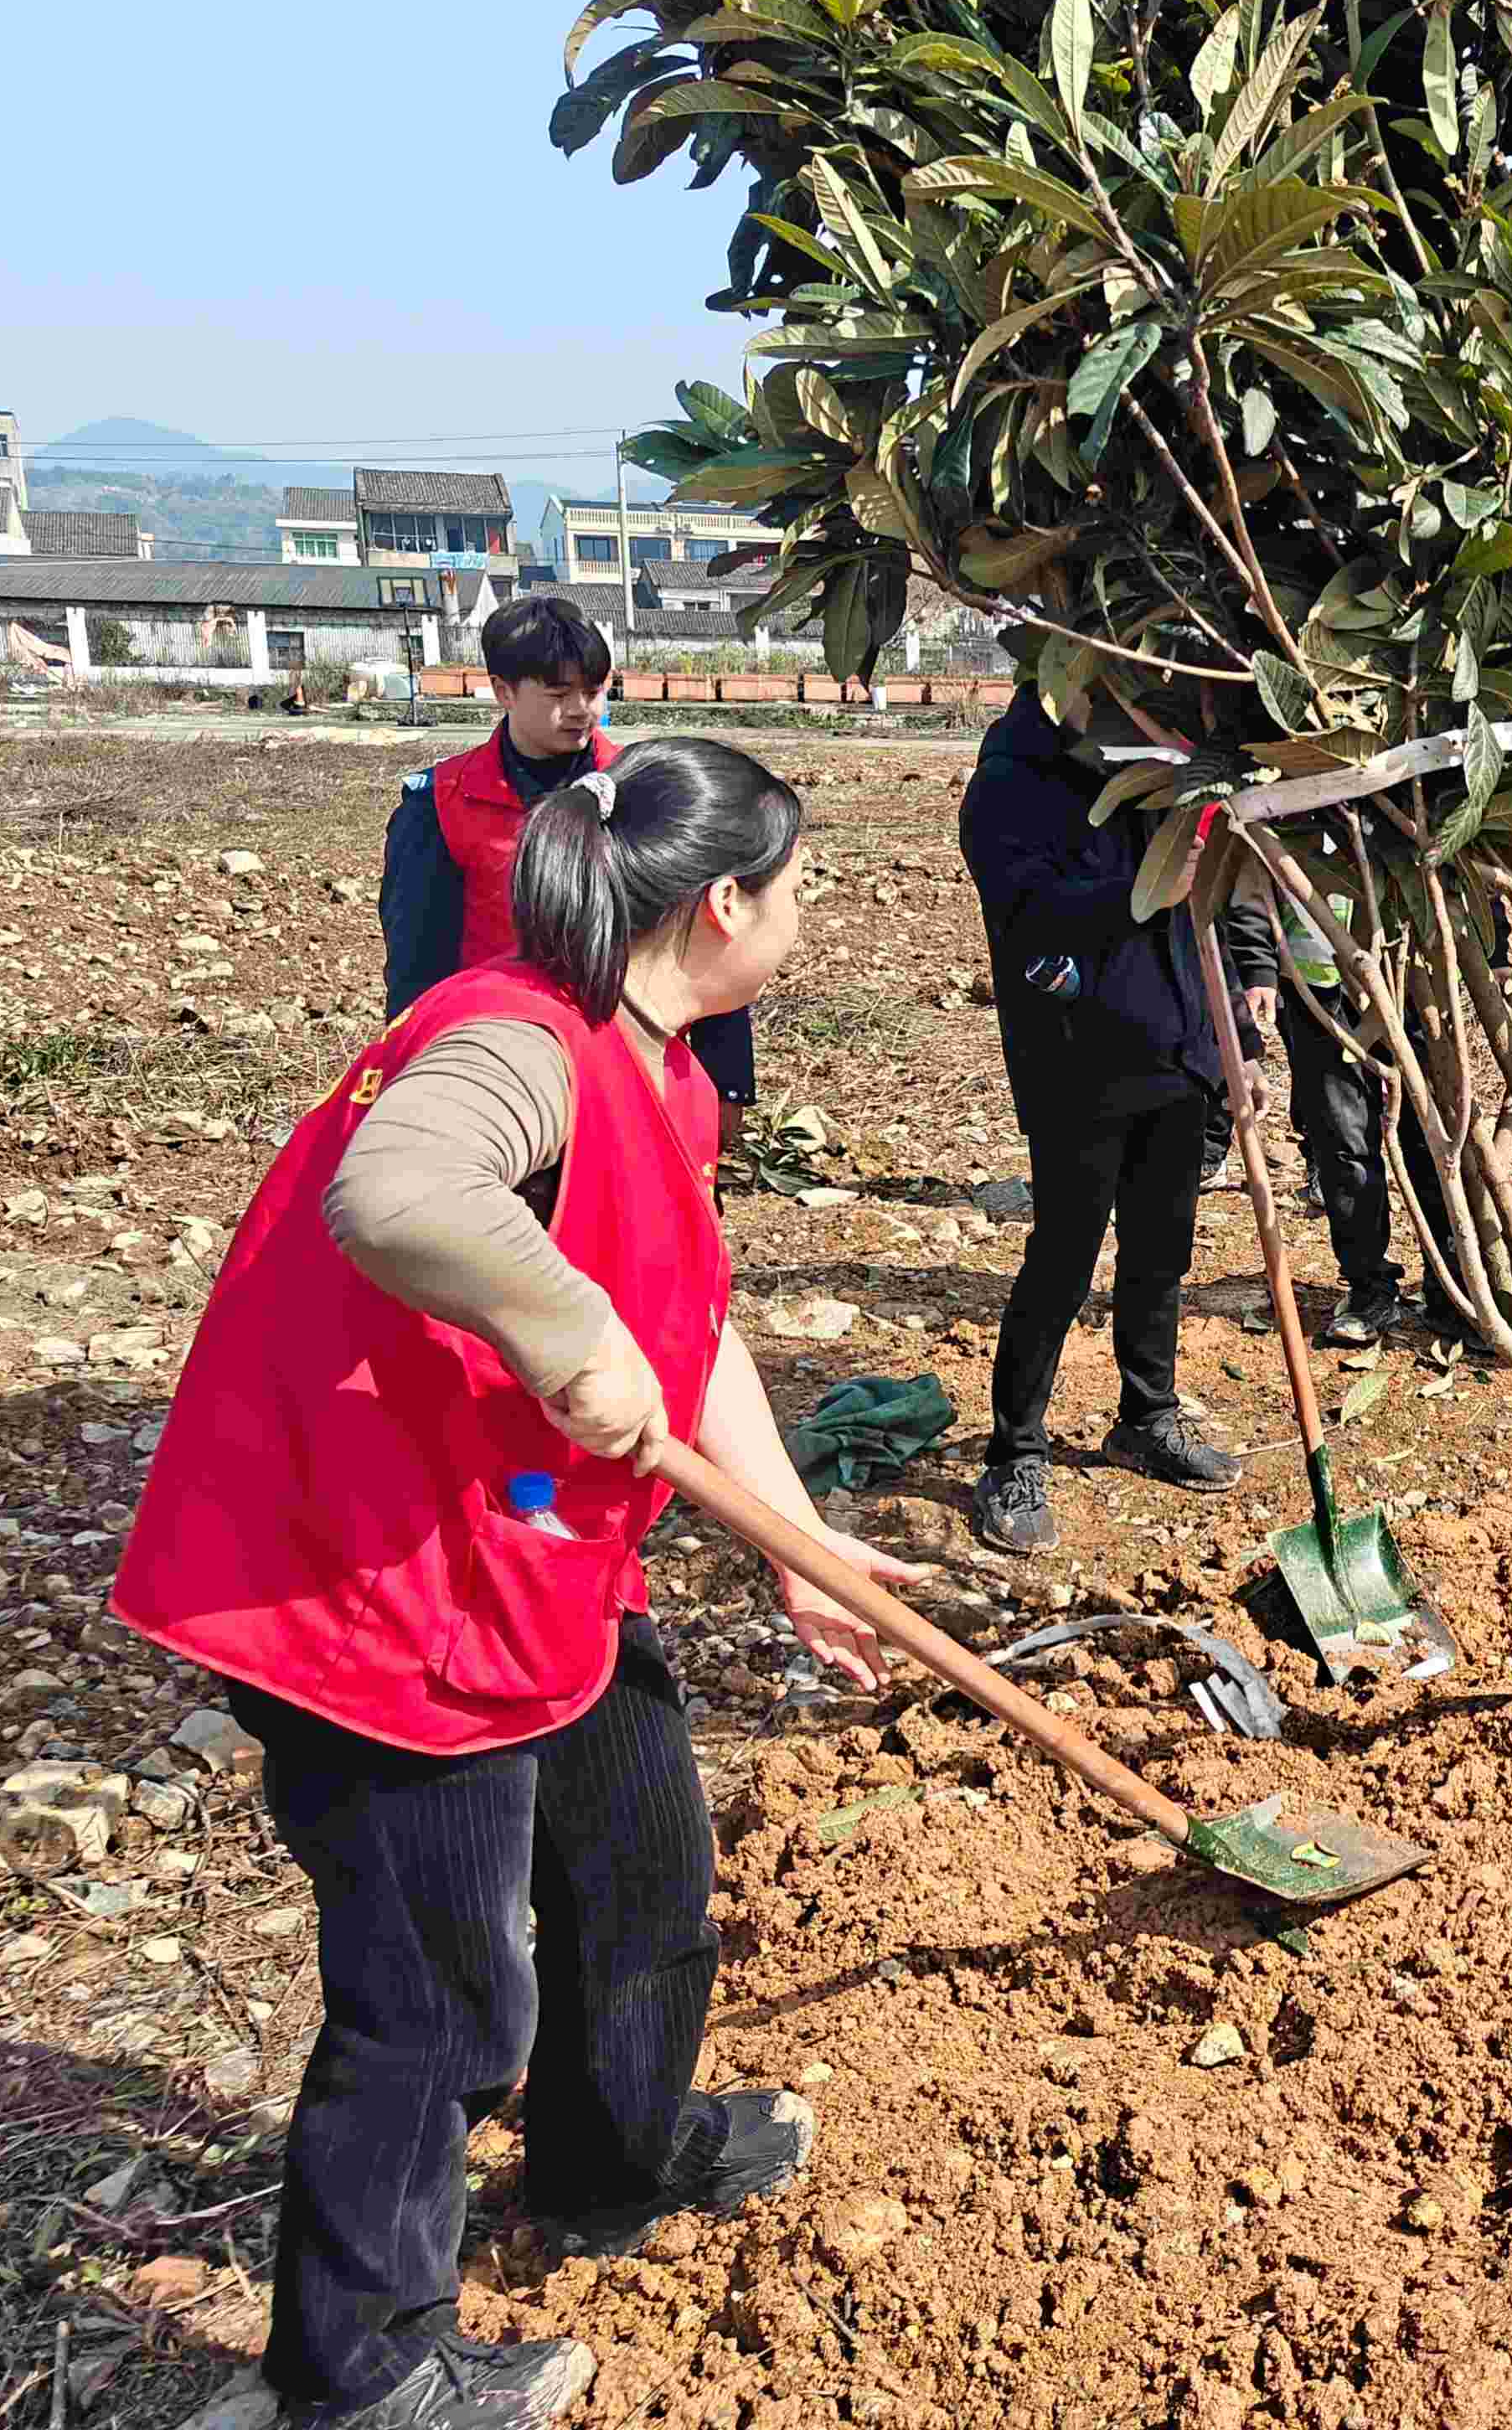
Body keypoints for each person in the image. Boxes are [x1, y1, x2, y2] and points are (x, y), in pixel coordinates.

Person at [111, 737, 930, 2430]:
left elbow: (681, 1336)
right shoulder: (515, 1039)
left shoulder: (667, 1067)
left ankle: (615, 2156)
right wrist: (564, 1333)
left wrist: (797, 1542)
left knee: (640, 1863)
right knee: (436, 1996)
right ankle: (357, 2373)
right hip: (365, 1587)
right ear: (723, 905)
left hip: (526, 1541)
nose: (809, 917)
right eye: (802, 890)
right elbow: (397, 1193)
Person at [958, 666, 1277, 1551]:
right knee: (1061, 1260)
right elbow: (1025, 912)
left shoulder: (1164, 755)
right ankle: (1015, 1450)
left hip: (1182, 1044)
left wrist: (1246, 1017)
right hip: (1078, 1058)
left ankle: (1148, 1415)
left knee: (1160, 1251)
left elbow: (1225, 885)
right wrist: (1145, 894)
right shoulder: (1014, 780)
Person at [381, 594, 754, 1119]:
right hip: (504, 1056)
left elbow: (702, 937)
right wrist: (410, 1070)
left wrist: (727, 1079)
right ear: (503, 691)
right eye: (559, 693)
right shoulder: (442, 803)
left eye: (594, 690)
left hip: (633, 1059)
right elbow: (418, 961)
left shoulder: (648, 793)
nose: (582, 709)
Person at [1265, 832, 1468, 1348]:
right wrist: (1260, 969)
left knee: (1430, 1140)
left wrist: (1499, 941)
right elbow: (1243, 886)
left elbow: (1456, 839)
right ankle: (1369, 1286)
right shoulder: (1274, 790)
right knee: (1344, 1144)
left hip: (1404, 979)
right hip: (1314, 988)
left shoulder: (1394, 786)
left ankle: (1452, 1292)